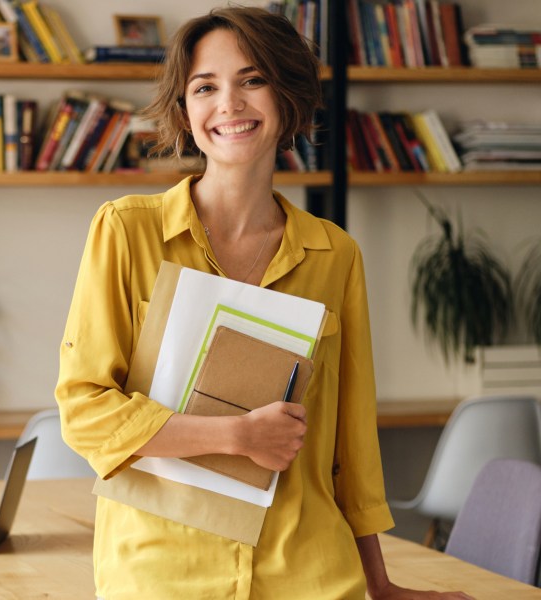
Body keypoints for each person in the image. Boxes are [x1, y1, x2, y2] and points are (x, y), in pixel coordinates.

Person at [56, 7, 474, 600]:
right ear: (185, 112)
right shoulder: (125, 231)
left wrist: (378, 584)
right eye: (205, 87)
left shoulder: (335, 254)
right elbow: (85, 411)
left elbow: (350, 447)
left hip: (311, 573)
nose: (229, 103)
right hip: (161, 575)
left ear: (288, 98)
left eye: (252, 80)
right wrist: (236, 436)